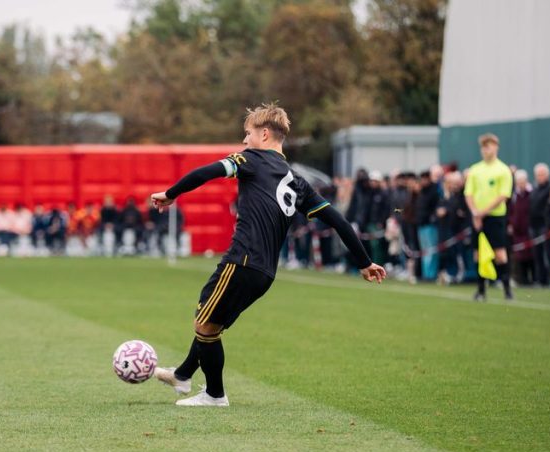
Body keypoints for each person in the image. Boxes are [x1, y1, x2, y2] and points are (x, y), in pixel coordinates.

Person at [149, 103, 386, 407]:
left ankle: (214, 395)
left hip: (243, 260)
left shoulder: (251, 160)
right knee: (214, 324)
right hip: (265, 272)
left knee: (204, 325)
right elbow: (338, 220)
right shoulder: (297, 181)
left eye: (247, 134)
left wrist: (170, 194)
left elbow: (207, 171)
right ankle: (182, 375)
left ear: (263, 134)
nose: (244, 141)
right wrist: (365, 262)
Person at [465, 133, 514, 301]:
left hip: (495, 217)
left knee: (500, 254)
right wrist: (475, 213)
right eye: (484, 146)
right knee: (478, 254)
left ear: (496, 147)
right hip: (478, 218)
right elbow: (469, 193)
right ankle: (481, 290)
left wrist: (483, 212)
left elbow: (503, 195)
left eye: (490, 146)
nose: (486, 149)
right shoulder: (475, 169)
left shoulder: (503, 169)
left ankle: (507, 289)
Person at [509, 169, 534, 284]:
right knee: (519, 256)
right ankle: (521, 279)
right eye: (518, 181)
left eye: (522, 181)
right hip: (517, 230)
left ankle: (533, 278)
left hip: (529, 229)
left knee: (531, 255)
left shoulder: (532, 193)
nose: (520, 184)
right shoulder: (513, 195)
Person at [529, 163, 550, 285]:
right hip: (534, 226)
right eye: (538, 175)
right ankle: (540, 279)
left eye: (542, 174)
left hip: (545, 225)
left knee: (546, 254)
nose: (540, 177)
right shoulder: (535, 189)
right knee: (537, 255)